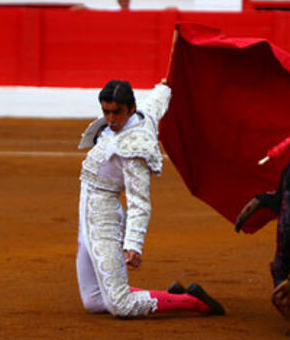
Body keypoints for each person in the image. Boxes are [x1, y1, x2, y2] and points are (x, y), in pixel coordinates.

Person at [76, 79, 225, 318]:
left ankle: (193, 302)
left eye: (117, 113)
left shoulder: (135, 148)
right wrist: (167, 83)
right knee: (93, 300)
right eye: (106, 112)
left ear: (131, 108)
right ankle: (169, 295)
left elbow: (139, 202)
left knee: (120, 305)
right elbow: (157, 101)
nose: (111, 119)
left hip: (103, 216)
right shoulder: (143, 114)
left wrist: (133, 244)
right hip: (88, 215)